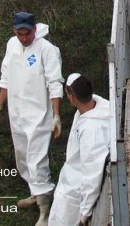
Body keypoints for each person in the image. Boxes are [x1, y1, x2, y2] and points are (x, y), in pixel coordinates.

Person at [0, 12, 64, 226]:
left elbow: (55, 83)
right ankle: (36, 192)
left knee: (37, 158)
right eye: (19, 33)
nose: (24, 38)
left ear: (34, 29)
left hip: (39, 114)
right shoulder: (12, 44)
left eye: (27, 33)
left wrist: (56, 115)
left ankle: (45, 210)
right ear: (14, 31)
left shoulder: (47, 50)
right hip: (17, 112)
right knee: (22, 155)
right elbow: (6, 77)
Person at [48, 73, 111, 226]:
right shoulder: (94, 104)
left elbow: (92, 174)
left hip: (75, 192)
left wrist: (84, 214)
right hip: (70, 179)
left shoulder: (92, 131)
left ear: (72, 98)